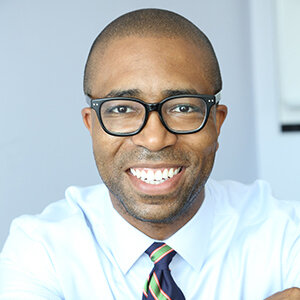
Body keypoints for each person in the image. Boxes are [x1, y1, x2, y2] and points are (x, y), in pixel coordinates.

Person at [0, 8, 299, 300]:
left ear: (216, 122)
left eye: (182, 107)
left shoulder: (287, 233)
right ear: (92, 127)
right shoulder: (39, 249)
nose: (155, 139)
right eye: (122, 109)